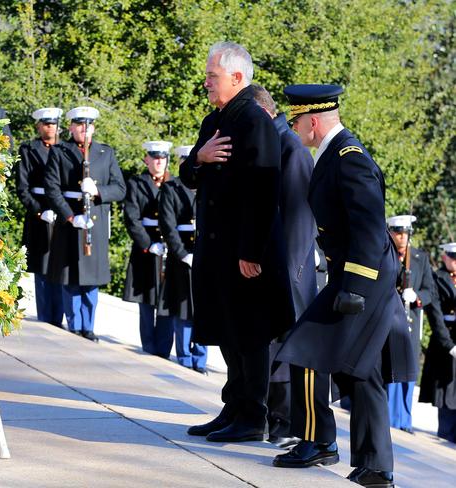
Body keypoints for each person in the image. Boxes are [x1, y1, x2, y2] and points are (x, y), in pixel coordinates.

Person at [274, 84, 416, 488]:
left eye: (297, 120)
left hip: (362, 280)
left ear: (313, 122)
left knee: (303, 347)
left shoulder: (349, 158)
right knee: (362, 372)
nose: (295, 127)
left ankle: (319, 440)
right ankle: (375, 467)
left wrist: (353, 286)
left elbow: (371, 229)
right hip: (352, 275)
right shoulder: (334, 154)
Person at [181, 42, 294, 443]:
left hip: (243, 252)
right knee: (227, 329)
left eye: (213, 76)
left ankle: (254, 415)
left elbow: (264, 191)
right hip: (217, 249)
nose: (206, 82)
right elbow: (188, 173)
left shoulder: (254, 121)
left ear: (237, 77)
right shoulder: (216, 119)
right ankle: (234, 407)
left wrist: (251, 251)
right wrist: (200, 157)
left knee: (249, 333)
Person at [252, 85, 317, 449]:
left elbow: (299, 219)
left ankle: (286, 422)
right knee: (271, 346)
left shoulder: (290, 149)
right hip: (272, 267)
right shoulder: (273, 144)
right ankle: (272, 418)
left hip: (288, 270)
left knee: (286, 347)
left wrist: (287, 273)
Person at [44, 106, 126, 341]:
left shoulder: (105, 152)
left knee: (92, 279)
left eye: (88, 125)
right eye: (79, 125)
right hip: (71, 222)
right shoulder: (60, 151)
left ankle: (88, 326)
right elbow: (52, 188)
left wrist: (98, 190)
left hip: (95, 223)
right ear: (71, 127)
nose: (84, 129)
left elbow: (120, 188)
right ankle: (74, 324)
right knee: (70, 278)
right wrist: (70, 216)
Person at [122, 141, 174, 358]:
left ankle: (163, 349)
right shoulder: (137, 183)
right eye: (154, 157)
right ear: (147, 159)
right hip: (147, 247)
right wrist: (147, 243)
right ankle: (148, 346)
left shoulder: (175, 184)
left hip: (170, 248)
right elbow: (132, 218)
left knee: (167, 299)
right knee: (146, 300)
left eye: (162, 158)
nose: (158, 161)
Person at [159, 145, 208, 373]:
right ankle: (185, 356)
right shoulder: (171, 188)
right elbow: (168, 226)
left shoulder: (208, 185)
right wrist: (181, 253)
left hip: (204, 255)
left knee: (203, 309)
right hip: (182, 257)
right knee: (183, 308)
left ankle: (200, 358)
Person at [386, 215, 436, 433]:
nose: (402, 237)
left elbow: (430, 290)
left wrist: (416, 296)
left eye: (405, 233)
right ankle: (388, 416)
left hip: (409, 321)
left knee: (407, 370)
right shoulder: (385, 253)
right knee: (389, 368)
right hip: (388, 318)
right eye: (398, 232)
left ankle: (405, 420)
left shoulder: (419, 258)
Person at [17, 107, 65, 327]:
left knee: (61, 265)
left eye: (54, 124)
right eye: (46, 124)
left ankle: (60, 317)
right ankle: (47, 317)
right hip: (41, 214)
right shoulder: (29, 150)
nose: (50, 128)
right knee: (43, 267)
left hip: (63, 213)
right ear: (39, 126)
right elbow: (23, 188)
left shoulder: (66, 149)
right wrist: (39, 210)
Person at [419, 242, 456, 443]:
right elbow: (435, 314)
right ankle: (446, 436)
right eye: (452, 256)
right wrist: (449, 345)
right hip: (446, 344)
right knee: (446, 397)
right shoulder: (437, 277)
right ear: (444, 257)